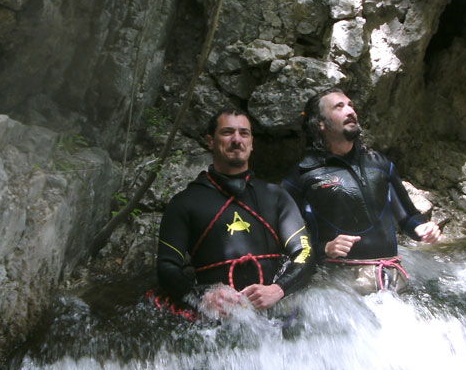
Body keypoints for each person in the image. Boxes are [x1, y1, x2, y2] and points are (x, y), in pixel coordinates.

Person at [156, 109, 314, 316]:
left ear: (251, 144)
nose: (236, 139)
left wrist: (278, 289)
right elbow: (166, 267)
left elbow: (305, 252)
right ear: (210, 141)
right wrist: (202, 295)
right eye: (227, 132)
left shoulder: (276, 197)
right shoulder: (185, 203)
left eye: (244, 133)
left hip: (275, 314)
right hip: (217, 320)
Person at [283, 88, 440, 293]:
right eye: (339, 107)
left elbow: (408, 217)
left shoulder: (380, 164)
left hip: (392, 275)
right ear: (320, 123)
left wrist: (422, 229)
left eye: (351, 105)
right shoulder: (301, 176)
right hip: (340, 282)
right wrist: (324, 249)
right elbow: (287, 241)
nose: (350, 111)